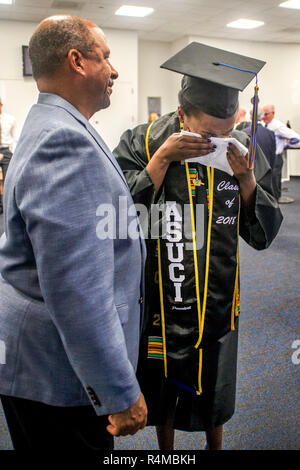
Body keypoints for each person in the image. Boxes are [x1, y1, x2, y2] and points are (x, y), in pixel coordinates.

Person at [113, 42, 283, 450]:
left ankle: (215, 444)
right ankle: (165, 451)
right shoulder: (143, 141)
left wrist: (245, 179)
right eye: (206, 133)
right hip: (161, 289)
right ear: (181, 111)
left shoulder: (241, 146)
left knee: (215, 377)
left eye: (225, 133)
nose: (217, 143)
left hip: (218, 288)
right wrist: (161, 162)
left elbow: (262, 232)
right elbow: (118, 218)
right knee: (163, 380)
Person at [0, 15, 147, 452]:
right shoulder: (64, 142)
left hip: (40, 356)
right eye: (106, 58)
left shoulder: (50, 121)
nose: (114, 70)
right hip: (57, 373)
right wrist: (118, 391)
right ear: (77, 62)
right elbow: (78, 290)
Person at [262, 104, 300, 203]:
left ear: (273, 113)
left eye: (266, 114)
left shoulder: (277, 126)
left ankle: (276, 198)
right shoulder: (267, 125)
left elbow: (295, 137)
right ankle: (272, 197)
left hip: (276, 156)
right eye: (263, 114)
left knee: (275, 178)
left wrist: (286, 146)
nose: (264, 117)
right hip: (269, 156)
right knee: (270, 177)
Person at [0, 98, 17, 213]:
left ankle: (7, 207)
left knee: (8, 181)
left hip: (6, 150)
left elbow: (14, 138)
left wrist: (13, 153)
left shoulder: (10, 119)